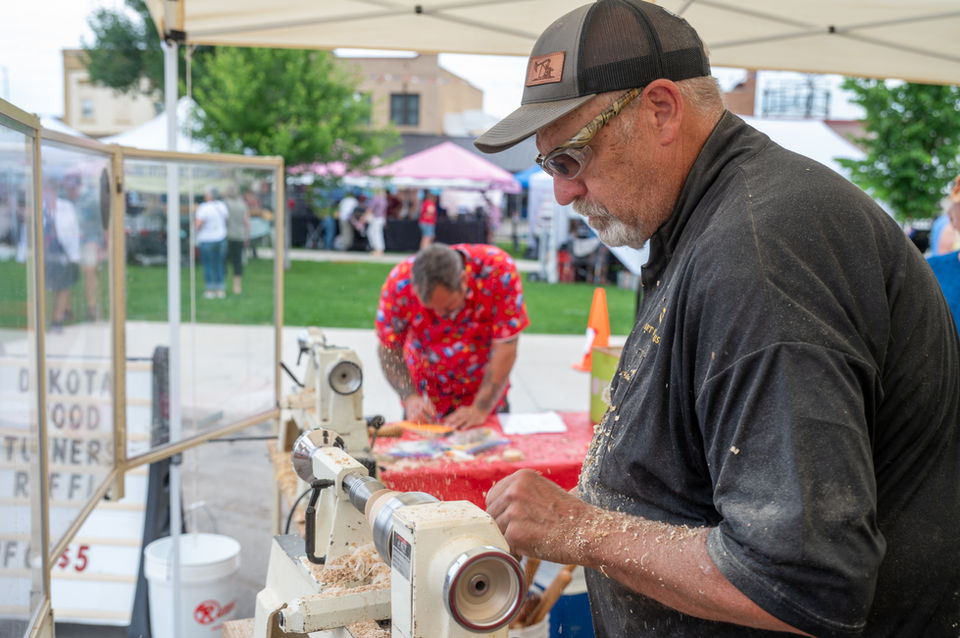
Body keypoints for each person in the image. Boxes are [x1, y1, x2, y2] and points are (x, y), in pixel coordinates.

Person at [476, 1, 960, 636]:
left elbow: (800, 581)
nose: (562, 192)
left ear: (661, 109)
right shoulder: (709, 218)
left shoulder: (761, 248)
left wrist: (580, 528)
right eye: (549, 167)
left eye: (568, 158)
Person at [375, 243, 529, 429]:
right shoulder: (399, 283)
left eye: (448, 308)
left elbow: (506, 347)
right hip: (427, 401)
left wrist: (480, 408)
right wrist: (410, 397)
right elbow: (389, 349)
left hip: (484, 398)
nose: (440, 316)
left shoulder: (498, 271)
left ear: (463, 280)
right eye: (430, 310)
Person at [42, 176, 81, 331]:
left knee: (63, 286)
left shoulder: (66, 207)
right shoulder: (38, 208)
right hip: (45, 253)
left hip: (62, 251)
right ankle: (45, 318)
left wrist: (74, 255)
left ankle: (57, 320)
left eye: (50, 191)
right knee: (45, 285)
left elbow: (73, 231)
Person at [195, 185, 228, 299]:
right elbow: (226, 220)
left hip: (207, 239)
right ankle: (220, 289)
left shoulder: (203, 207)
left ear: (209, 195)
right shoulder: (222, 206)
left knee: (208, 265)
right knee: (219, 264)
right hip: (221, 237)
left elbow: (198, 224)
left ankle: (209, 290)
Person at [222, 183, 250, 294]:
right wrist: (247, 235)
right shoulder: (243, 204)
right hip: (240, 235)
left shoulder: (225, 203)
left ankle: (222, 285)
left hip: (227, 235)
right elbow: (246, 221)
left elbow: (224, 220)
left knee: (223, 261)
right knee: (237, 261)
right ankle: (237, 287)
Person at [367, 188, 388, 257]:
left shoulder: (376, 198)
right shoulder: (384, 200)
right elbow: (384, 212)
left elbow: (370, 208)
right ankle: (378, 249)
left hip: (376, 218)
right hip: (380, 219)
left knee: (375, 234)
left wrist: (364, 217)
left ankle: (378, 250)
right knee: (375, 233)